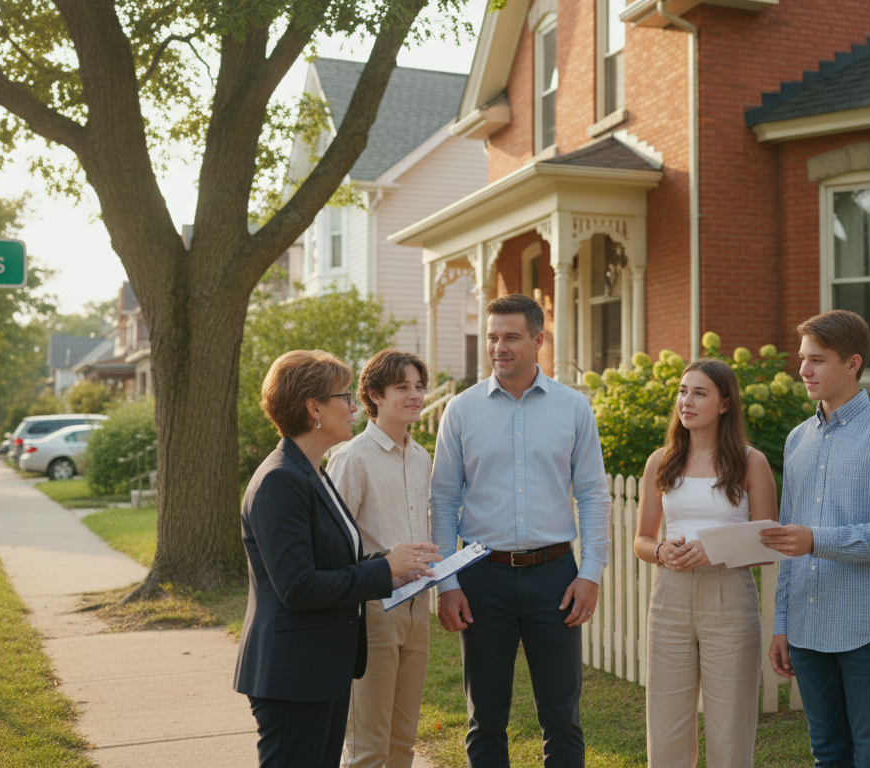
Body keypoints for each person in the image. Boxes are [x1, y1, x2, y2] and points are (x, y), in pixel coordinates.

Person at [234, 349, 441, 768]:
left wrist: (392, 566)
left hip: (321, 667)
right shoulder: (280, 479)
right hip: (293, 674)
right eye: (344, 398)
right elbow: (297, 586)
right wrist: (384, 569)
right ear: (314, 409)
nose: (353, 407)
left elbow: (333, 560)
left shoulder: (312, 473)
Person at [429, 293, 611, 768]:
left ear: (538, 340)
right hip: (480, 576)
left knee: (562, 715)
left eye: (510, 336)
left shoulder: (573, 408)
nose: (498, 347)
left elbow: (593, 494)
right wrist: (447, 583)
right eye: (492, 337)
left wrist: (590, 573)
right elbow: (443, 500)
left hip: (555, 577)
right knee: (485, 717)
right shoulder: (461, 411)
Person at [762, 310, 870, 768]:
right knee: (827, 753)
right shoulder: (798, 440)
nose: (804, 370)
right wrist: (781, 623)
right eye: (802, 359)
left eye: (817, 360)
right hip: (808, 629)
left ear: (852, 363)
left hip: (868, 626)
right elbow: (789, 539)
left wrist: (818, 540)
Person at [633, 358, 778, 768]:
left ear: (725, 405)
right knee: (666, 729)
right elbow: (641, 540)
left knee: (730, 730)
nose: (687, 401)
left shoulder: (752, 462)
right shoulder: (660, 461)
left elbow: (768, 546)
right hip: (670, 596)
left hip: (729, 596)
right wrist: (661, 551)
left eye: (700, 393)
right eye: (682, 391)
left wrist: (717, 549)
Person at [328, 350, 434, 768]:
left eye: (419, 387)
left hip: (417, 609)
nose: (415, 395)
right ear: (374, 395)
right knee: (368, 746)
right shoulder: (352, 458)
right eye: (402, 387)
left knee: (403, 742)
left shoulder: (422, 456)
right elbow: (333, 545)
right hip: (373, 612)